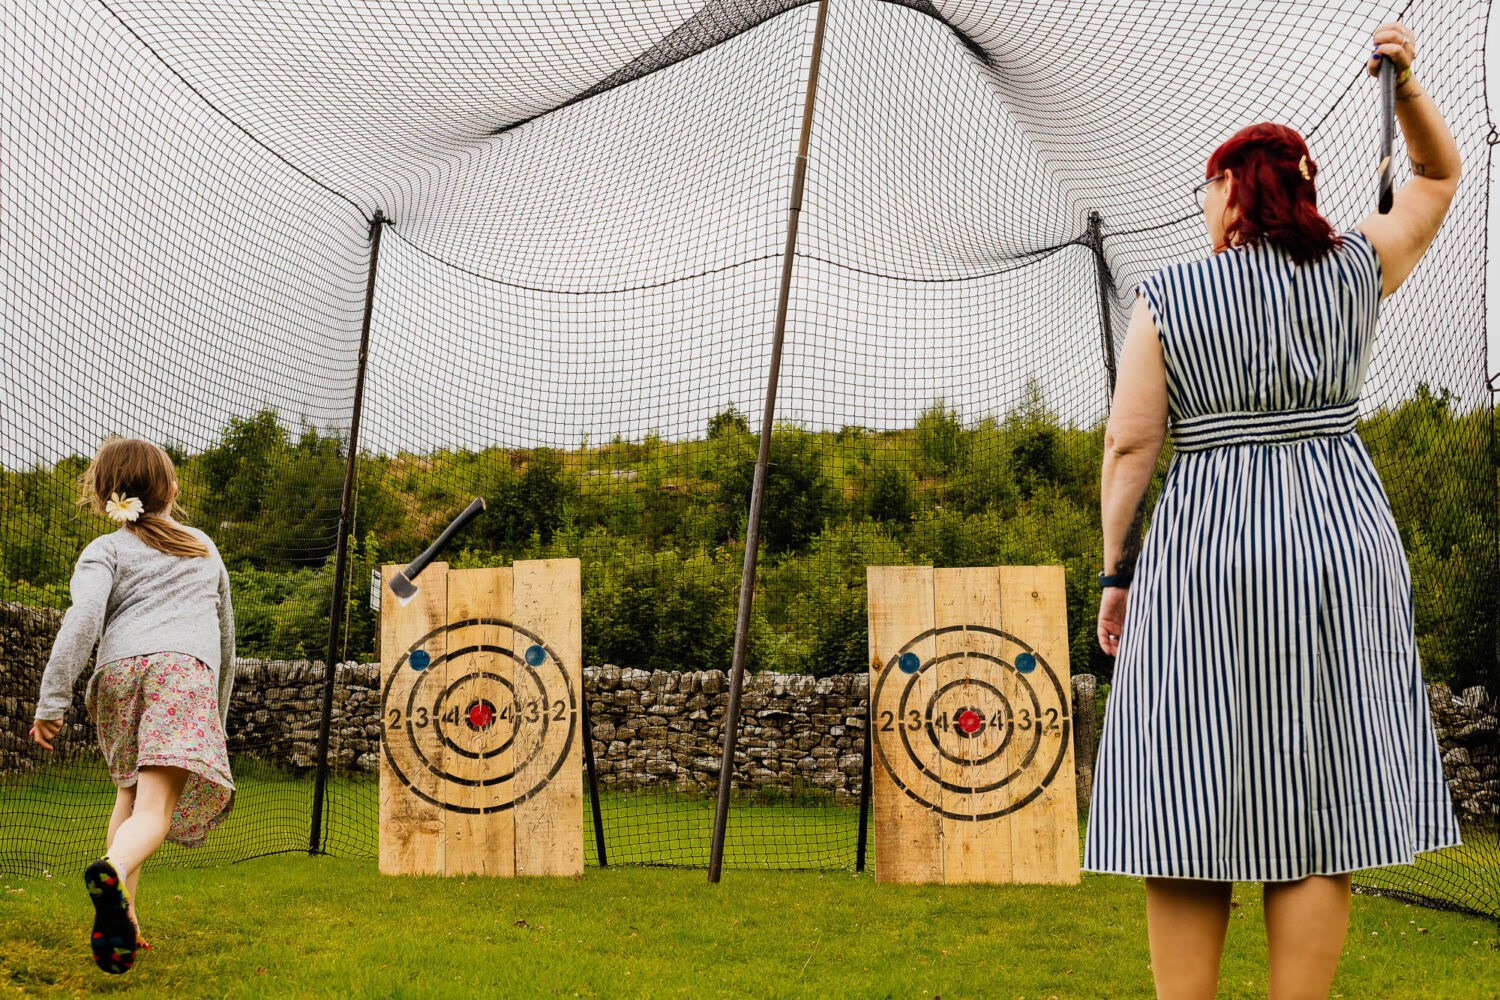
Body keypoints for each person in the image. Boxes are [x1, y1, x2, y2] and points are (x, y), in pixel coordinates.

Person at [1083, 22, 1462, 1000]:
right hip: (1342, 544)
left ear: (1225, 189)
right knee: (1319, 798)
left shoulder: (1168, 294)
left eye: (1205, 190)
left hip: (1207, 552)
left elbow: (1131, 445)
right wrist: (1407, 85)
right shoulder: (1358, 264)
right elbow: (1439, 176)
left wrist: (1116, 571)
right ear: (1302, 189)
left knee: (1188, 786)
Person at [29, 437, 237, 975]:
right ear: (170, 489)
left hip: (119, 677)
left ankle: (124, 923)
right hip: (180, 673)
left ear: (106, 496)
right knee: (154, 812)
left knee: (129, 794)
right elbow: (226, 641)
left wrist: (52, 700)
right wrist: (214, 716)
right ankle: (114, 871)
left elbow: (83, 621)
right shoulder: (201, 546)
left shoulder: (105, 549)